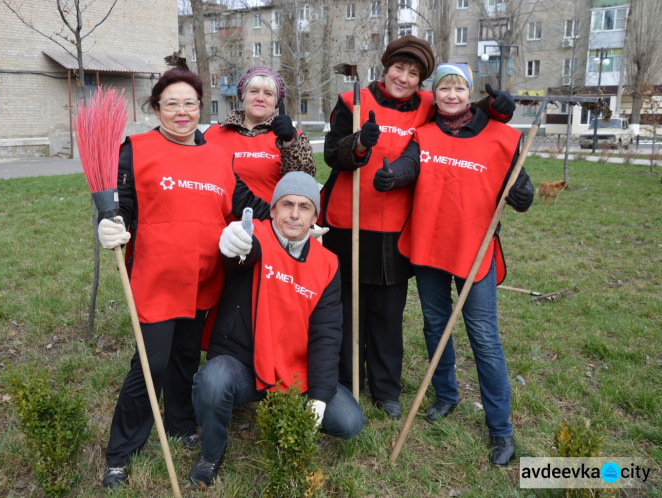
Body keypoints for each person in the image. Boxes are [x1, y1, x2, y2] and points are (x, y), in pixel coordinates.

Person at [321, 35, 515, 419]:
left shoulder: (428, 105)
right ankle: (348, 383)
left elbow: (463, 112)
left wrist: (499, 109)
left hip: (397, 227)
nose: (404, 78)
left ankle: (386, 389)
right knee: (347, 310)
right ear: (386, 67)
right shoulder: (351, 102)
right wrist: (359, 145)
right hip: (348, 223)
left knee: (388, 314)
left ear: (421, 80)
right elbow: (332, 154)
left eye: (414, 73)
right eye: (399, 68)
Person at [96, 67, 270, 489]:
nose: (181, 111)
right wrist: (110, 223)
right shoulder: (134, 150)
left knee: (186, 356)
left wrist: (293, 221)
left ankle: (177, 421)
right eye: (171, 103)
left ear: (200, 107)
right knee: (150, 364)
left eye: (190, 103)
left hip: (204, 279)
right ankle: (121, 451)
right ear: (156, 108)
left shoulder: (217, 155)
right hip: (155, 279)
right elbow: (123, 207)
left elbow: (246, 206)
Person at [373, 63, 534, 466]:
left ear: (468, 93)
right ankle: (446, 394)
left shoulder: (500, 137)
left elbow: (522, 188)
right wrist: (393, 177)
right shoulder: (424, 135)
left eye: (458, 88)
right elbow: (413, 164)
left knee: (484, 338)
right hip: (430, 248)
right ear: (436, 93)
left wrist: (522, 193)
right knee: (435, 325)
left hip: (474, 253)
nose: (450, 95)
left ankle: (500, 429)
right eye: (443, 88)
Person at [188, 172, 366, 489]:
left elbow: (327, 336)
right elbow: (240, 258)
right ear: (272, 210)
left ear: (315, 216)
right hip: (244, 365)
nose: (294, 214)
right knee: (213, 382)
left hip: (296, 374)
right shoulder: (253, 235)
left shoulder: (327, 264)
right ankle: (211, 455)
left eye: (304, 206)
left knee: (351, 421)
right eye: (286, 205)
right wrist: (231, 245)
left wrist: (320, 399)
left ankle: (292, 419)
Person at [204, 65, 316, 202]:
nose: (260, 98)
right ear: (243, 96)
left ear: (276, 102)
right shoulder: (214, 133)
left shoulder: (293, 137)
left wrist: (289, 142)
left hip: (269, 220)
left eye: (268, 94)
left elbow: (304, 181)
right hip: (221, 221)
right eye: (254, 91)